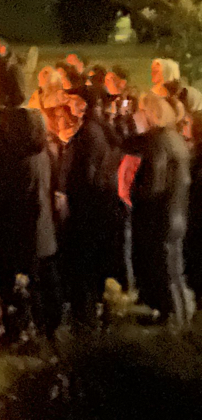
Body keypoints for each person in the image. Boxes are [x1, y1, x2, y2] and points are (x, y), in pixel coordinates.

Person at [0, 105, 58, 343]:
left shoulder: (13, 156)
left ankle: (17, 328)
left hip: (11, 230)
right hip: (39, 228)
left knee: (13, 282)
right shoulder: (42, 152)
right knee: (33, 281)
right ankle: (38, 328)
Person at [60, 87, 124, 328]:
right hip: (101, 204)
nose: (70, 105)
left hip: (89, 207)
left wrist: (71, 195)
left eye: (74, 100)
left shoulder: (89, 133)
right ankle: (98, 310)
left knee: (86, 262)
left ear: (85, 104)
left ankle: (87, 316)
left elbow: (87, 172)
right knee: (98, 261)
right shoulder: (100, 129)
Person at [131, 95, 192, 325]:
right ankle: (180, 317)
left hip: (161, 215)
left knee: (165, 270)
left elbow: (153, 184)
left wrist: (134, 192)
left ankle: (174, 321)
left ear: (150, 114)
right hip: (178, 212)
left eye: (140, 110)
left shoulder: (157, 142)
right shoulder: (175, 138)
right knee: (174, 270)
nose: (136, 116)